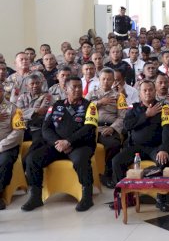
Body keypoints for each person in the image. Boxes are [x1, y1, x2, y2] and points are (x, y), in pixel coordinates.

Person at [22, 77, 98, 212]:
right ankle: (35, 196)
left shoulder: (89, 105)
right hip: (56, 145)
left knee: (81, 160)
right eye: (74, 87)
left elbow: (88, 129)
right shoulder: (56, 105)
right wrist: (58, 143)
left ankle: (87, 196)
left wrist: (68, 142)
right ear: (65, 89)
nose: (77, 89)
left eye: (79, 86)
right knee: (32, 159)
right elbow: (46, 128)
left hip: (80, 144)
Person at [111, 80, 169, 212]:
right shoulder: (133, 109)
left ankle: (161, 199)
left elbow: (167, 130)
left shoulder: (164, 108)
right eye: (144, 90)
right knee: (116, 161)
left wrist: (163, 149)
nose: (147, 93)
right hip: (136, 147)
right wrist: (146, 114)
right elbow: (127, 126)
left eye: (150, 90)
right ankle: (126, 196)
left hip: (155, 148)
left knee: (163, 161)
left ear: (155, 91)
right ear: (139, 93)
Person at [87, 68, 128, 188]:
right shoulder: (91, 94)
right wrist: (99, 102)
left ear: (113, 81)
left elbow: (123, 116)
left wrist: (113, 128)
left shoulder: (119, 96)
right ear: (99, 80)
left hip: (108, 128)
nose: (106, 81)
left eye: (109, 79)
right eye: (103, 79)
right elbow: (83, 110)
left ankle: (108, 175)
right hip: (92, 127)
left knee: (114, 144)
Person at [0, 83, 25, 209]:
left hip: (7, 147)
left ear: (3, 91)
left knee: (4, 162)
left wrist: (1, 145)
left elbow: (18, 132)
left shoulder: (13, 109)